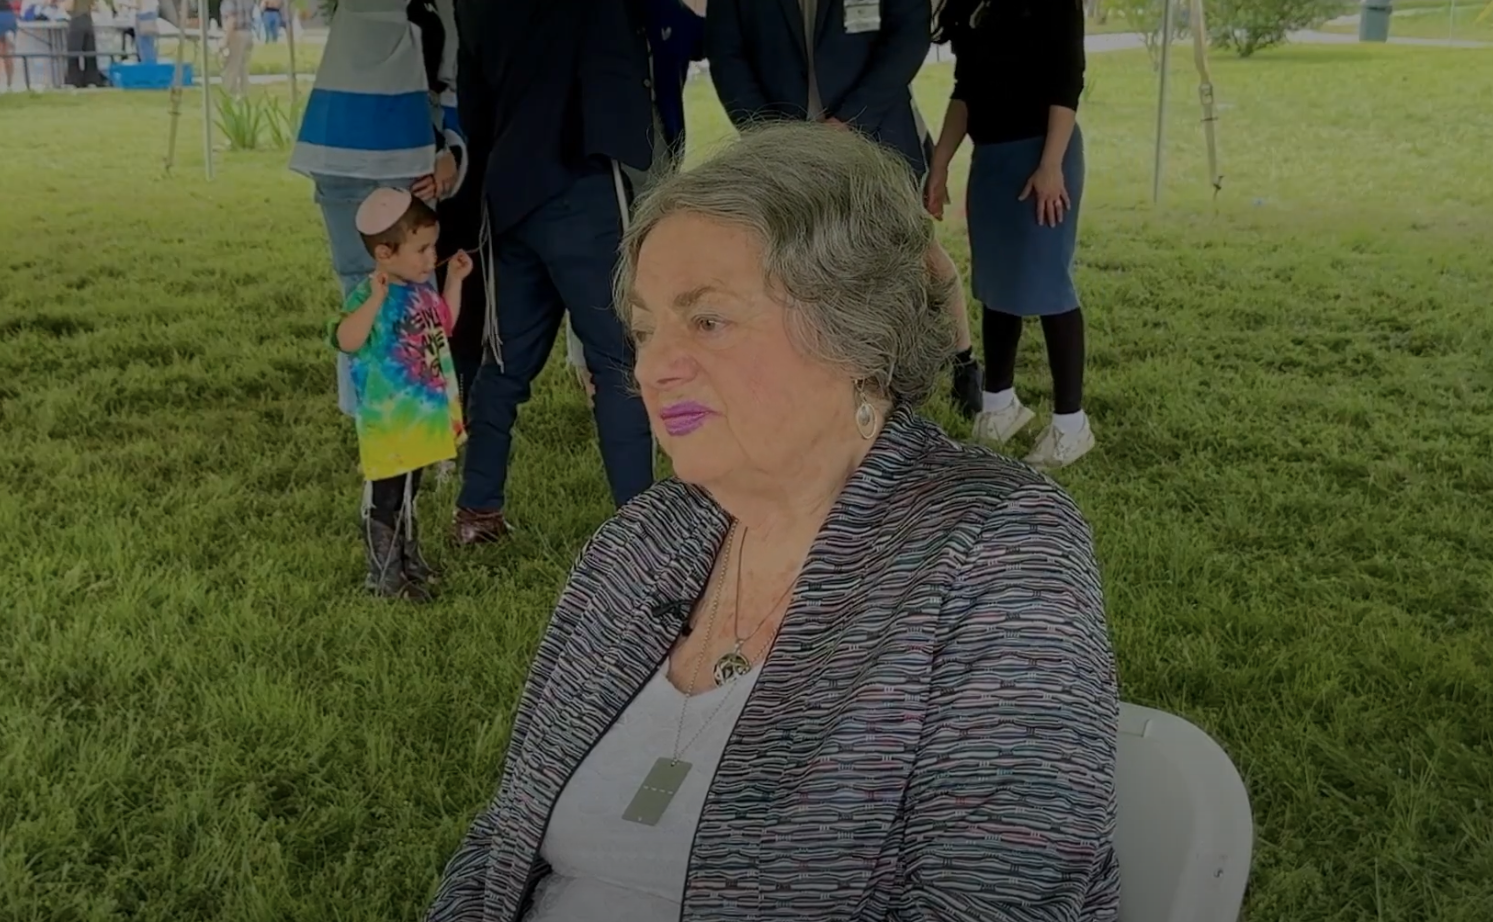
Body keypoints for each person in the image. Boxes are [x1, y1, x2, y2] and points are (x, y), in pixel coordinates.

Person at [424, 122, 1119, 922]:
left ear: (851, 329)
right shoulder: (644, 541)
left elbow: (992, 899)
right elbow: (503, 838)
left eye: (707, 321)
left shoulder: (997, 549)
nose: (654, 367)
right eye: (646, 329)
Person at [704, 0, 985, 420]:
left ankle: (962, 361)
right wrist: (771, 137)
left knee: (916, 256)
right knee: (807, 264)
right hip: (788, 154)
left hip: (879, 137)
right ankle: (838, 376)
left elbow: (906, 38)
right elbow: (728, 57)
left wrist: (848, 119)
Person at [450, 0, 660, 544]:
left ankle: (477, 512)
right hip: (582, 184)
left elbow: (473, 107)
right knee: (617, 362)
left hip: (511, 187)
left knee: (502, 363)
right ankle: (637, 526)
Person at [927, 0, 1092, 467]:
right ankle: (998, 406)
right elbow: (966, 91)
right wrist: (940, 161)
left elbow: (1067, 80)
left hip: (1042, 157)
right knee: (995, 285)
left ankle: (1071, 424)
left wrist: (1051, 164)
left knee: (1048, 284)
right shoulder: (968, 4)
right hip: (992, 160)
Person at [290, 0, 465, 420]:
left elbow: (447, 82)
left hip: (362, 157)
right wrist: (448, 148)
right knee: (387, 287)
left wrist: (450, 151)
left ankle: (390, 415)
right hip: (380, 160)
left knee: (389, 286)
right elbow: (448, 81)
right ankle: (389, 418)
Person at [330, 188, 475, 600]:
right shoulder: (369, 295)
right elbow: (346, 339)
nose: (433, 256)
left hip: (421, 417)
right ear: (384, 253)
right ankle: (384, 576)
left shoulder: (421, 291)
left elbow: (443, 326)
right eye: (423, 248)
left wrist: (456, 281)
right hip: (390, 421)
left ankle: (408, 561)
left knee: (410, 489)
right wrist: (374, 302)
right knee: (387, 494)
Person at [59, 0, 107, 88]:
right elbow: (95, 6)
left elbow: (69, 7)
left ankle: (73, 81)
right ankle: (92, 81)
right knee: (90, 53)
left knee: (73, 53)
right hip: (88, 21)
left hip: (76, 20)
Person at [219, 0, 256, 96]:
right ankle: (244, 96)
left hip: (235, 34)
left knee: (231, 69)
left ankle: (229, 96)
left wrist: (225, 40)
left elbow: (231, 19)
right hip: (248, 32)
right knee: (243, 69)